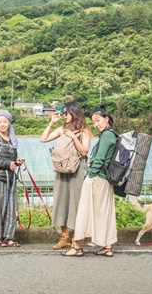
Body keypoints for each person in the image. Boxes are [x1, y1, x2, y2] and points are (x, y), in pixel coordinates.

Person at [62, 105, 118, 257]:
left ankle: (77, 247)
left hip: (98, 178)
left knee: (84, 212)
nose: (96, 124)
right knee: (104, 213)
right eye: (93, 122)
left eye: (98, 120)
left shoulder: (107, 136)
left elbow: (99, 158)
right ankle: (107, 246)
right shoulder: (113, 134)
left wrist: (90, 176)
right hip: (106, 180)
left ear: (107, 119)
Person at [40, 101, 92, 249]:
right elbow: (43, 139)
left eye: (65, 113)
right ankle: (65, 237)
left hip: (77, 170)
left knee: (76, 202)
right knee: (61, 201)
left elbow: (84, 152)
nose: (64, 116)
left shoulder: (84, 131)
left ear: (73, 113)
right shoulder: (61, 129)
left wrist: (74, 137)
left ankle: (77, 238)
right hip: (62, 170)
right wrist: (51, 123)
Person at [0, 109, 25, 247]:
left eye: (5, 121)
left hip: (10, 178)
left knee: (11, 207)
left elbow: (11, 158)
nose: (2, 124)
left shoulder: (12, 140)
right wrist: (8, 163)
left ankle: (8, 237)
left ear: (9, 122)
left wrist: (16, 161)